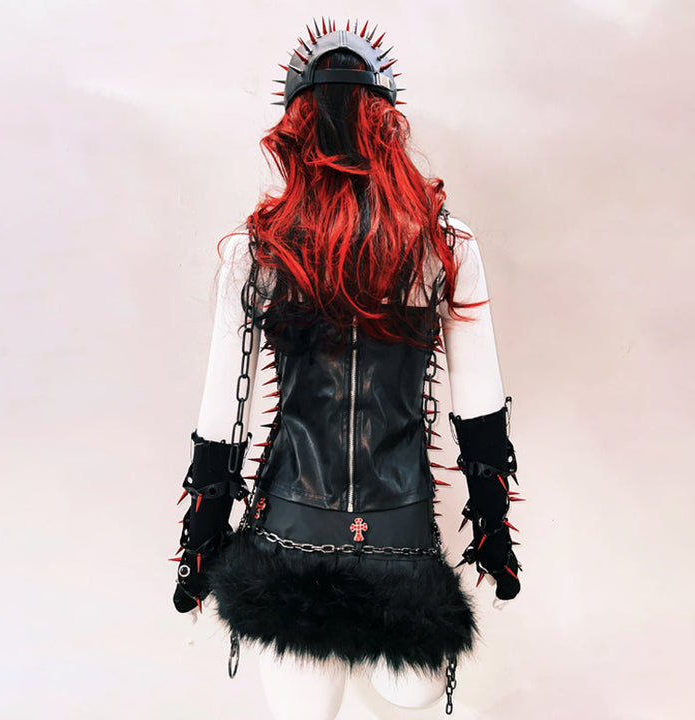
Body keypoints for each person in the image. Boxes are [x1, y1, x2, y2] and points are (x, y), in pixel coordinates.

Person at [170, 18, 524, 719]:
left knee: (310, 706)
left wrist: (200, 548)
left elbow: (222, 416)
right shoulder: (444, 243)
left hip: (287, 533)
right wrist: (493, 535)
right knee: (411, 687)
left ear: (293, 127)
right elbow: (479, 406)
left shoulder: (257, 249)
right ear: (386, 123)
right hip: (399, 537)